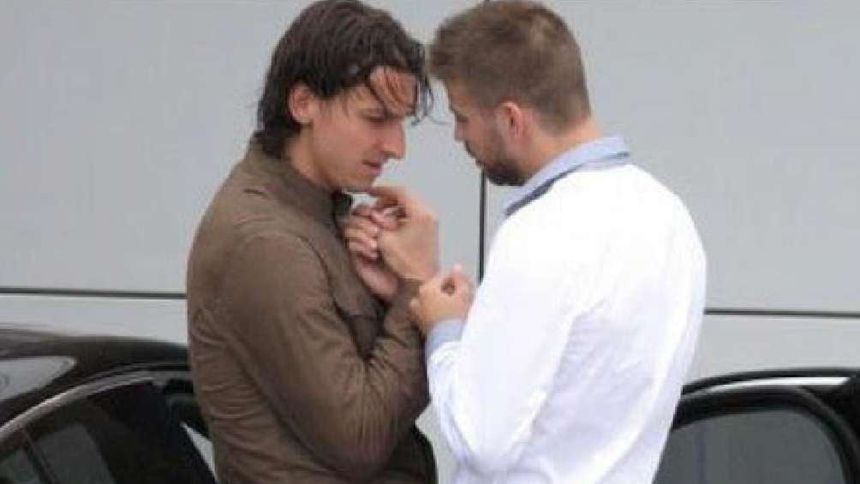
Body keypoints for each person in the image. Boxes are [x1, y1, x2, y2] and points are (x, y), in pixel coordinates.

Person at [346, 1, 706, 482]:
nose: (458, 136)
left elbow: (481, 440)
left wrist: (444, 331)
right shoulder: (670, 219)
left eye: (461, 117)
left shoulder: (541, 232)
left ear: (512, 120)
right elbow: (574, 388)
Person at [185, 1, 438, 482]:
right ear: (303, 104)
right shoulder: (265, 243)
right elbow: (360, 438)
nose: (396, 147)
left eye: (400, 123)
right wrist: (415, 289)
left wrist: (394, 296)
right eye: (375, 118)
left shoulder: (319, 217)